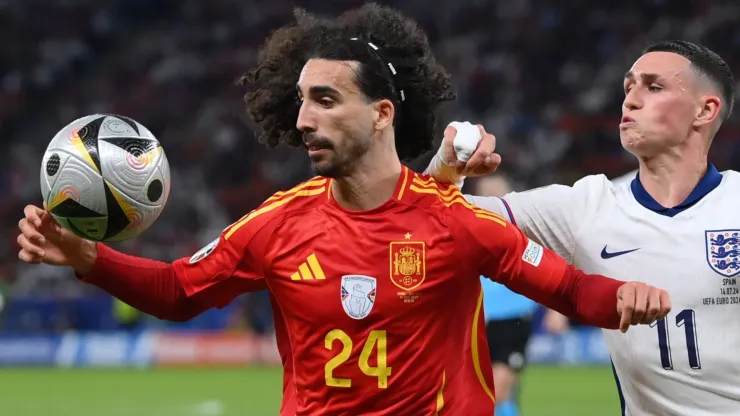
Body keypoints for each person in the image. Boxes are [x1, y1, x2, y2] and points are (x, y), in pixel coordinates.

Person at [17, 5, 671, 415]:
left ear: (382, 113)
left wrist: (637, 296)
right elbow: (179, 290)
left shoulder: (457, 222)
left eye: (326, 100)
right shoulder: (278, 223)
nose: (303, 119)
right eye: (301, 100)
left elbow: (572, 292)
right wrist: (86, 257)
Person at [430, 40, 737, 415]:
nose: (631, 101)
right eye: (629, 87)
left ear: (705, 110)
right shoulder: (586, 207)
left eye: (654, 87)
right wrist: (445, 170)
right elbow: (433, 221)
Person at [475, 174, 537, 416]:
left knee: (497, 391)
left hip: (512, 320)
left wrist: (556, 311)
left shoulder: (524, 232)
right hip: (477, 321)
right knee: (489, 390)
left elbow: (552, 265)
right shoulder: (472, 231)